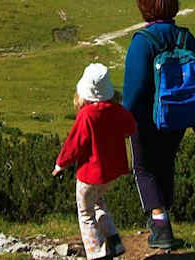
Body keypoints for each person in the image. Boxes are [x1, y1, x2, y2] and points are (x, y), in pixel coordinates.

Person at [122, 0, 195, 251]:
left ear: (144, 9)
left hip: (147, 118)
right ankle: (165, 218)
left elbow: (135, 87)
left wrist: (124, 119)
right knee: (165, 163)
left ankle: (160, 225)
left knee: (143, 168)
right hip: (179, 115)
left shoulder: (143, 41)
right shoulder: (186, 37)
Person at [52, 63, 136, 259]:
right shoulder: (117, 110)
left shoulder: (86, 115)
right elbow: (131, 127)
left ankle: (96, 252)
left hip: (89, 175)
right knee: (98, 202)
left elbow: (74, 145)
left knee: (86, 213)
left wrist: (60, 164)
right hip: (111, 173)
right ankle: (114, 240)